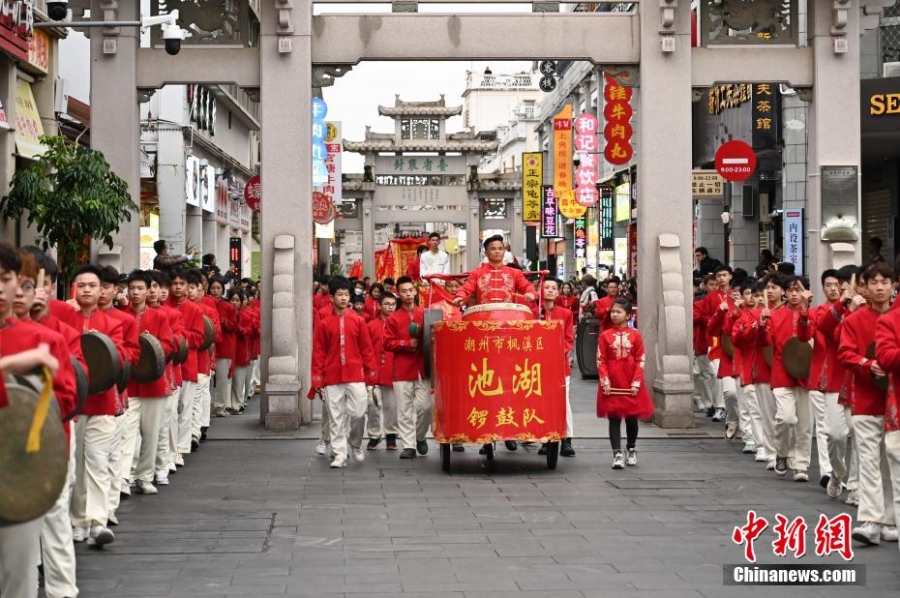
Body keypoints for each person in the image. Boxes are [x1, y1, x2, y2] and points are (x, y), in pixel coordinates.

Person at [838, 263, 896, 545]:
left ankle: (890, 518)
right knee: (869, 462)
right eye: (873, 282)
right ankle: (871, 520)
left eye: (885, 281)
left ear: (894, 285)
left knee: (891, 462)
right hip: (865, 399)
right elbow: (845, 353)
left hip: (894, 403)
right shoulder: (854, 320)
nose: (880, 287)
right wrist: (867, 364)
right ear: (864, 287)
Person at [310, 276, 378, 468]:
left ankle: (355, 443)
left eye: (346, 294)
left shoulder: (358, 321)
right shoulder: (324, 324)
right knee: (335, 416)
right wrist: (317, 379)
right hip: (332, 376)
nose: (343, 298)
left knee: (358, 413)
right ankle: (339, 454)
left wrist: (371, 374)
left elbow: (367, 350)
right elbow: (318, 352)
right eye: (339, 294)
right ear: (332, 297)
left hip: (355, 374)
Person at [760, 274, 814, 481]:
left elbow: (806, 336)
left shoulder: (812, 313)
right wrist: (763, 324)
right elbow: (765, 341)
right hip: (782, 371)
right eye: (790, 290)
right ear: (784, 292)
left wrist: (805, 312)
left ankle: (801, 465)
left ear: (806, 292)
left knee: (805, 424)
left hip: (805, 373)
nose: (794, 294)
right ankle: (781, 452)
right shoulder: (775, 314)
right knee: (785, 417)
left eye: (798, 290)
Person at [596, 298, 654, 469]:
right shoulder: (604, 335)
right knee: (613, 418)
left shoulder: (636, 335)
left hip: (630, 379)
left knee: (631, 417)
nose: (614, 314)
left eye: (618, 312)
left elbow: (640, 359)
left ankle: (631, 447)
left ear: (628, 315)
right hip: (612, 379)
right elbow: (601, 360)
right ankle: (617, 454)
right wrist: (605, 382)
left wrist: (636, 383)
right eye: (613, 311)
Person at [385, 276, 432, 459]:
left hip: (422, 367)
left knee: (425, 407)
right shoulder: (393, 319)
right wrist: (406, 343)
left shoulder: (425, 313)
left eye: (410, 290)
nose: (408, 294)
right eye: (403, 291)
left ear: (415, 291)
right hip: (402, 370)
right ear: (398, 294)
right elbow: (387, 343)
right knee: (404, 409)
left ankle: (420, 436)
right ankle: (409, 446)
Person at [534, 278, 576, 457]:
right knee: (541, 401)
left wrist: (556, 353)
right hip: (537, 367)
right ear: (540, 290)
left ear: (558, 292)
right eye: (546, 287)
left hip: (560, 366)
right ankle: (544, 440)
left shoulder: (566, 313)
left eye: (553, 288)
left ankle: (566, 440)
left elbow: (568, 340)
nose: (550, 290)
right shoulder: (534, 313)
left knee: (562, 401)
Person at [453, 235, 535, 307]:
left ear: (504, 251)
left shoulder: (515, 273)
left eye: (500, 249)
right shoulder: (476, 273)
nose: (497, 251)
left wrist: (530, 293)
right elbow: (466, 289)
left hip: (508, 317)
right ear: (486, 253)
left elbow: (527, 286)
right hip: (484, 317)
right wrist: (460, 297)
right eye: (493, 249)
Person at [362, 293, 397, 450]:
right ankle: (374, 435)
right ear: (379, 306)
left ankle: (391, 435)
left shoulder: (398, 325)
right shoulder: (370, 326)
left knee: (391, 406)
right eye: (387, 304)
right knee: (373, 406)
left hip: (392, 370)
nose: (390, 307)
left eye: (392, 304)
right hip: (374, 371)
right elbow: (365, 350)